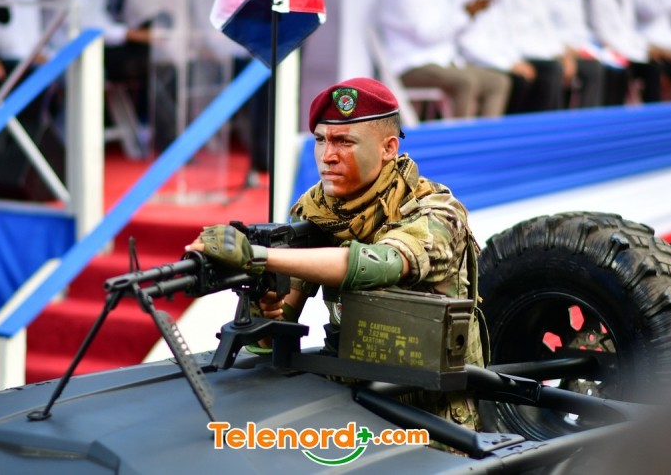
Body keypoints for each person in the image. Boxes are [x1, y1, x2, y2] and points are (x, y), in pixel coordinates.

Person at [185, 77, 485, 431]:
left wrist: (258, 256)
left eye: (345, 141)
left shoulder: (436, 212)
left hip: (433, 415)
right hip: (349, 404)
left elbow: (382, 264)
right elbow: (275, 333)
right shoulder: (316, 211)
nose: (327, 156)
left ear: (389, 148)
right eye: (320, 140)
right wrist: (266, 307)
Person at [378, 0, 511, 119]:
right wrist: (466, 14)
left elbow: (448, 27)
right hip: (412, 64)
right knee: (465, 82)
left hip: (443, 61)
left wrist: (468, 14)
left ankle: (487, 134)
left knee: (498, 81)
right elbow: (427, 36)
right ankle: (460, 135)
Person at [452, 0, 552, 114]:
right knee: (517, 80)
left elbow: (503, 34)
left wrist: (514, 60)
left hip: (498, 57)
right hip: (479, 61)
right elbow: (468, 44)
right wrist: (507, 64)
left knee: (537, 73)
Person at [541, 0, 607, 107]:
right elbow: (545, 30)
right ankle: (586, 118)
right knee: (594, 69)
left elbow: (581, 30)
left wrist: (597, 46)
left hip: (580, 49)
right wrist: (566, 51)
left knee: (612, 64)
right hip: (560, 51)